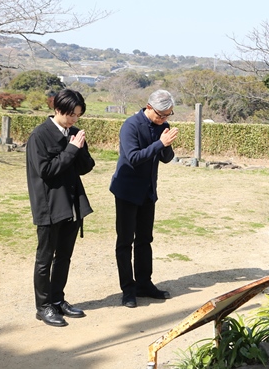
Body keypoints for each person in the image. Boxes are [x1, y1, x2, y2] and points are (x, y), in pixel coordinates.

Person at [26, 89, 95, 327]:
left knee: (64, 256)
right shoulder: (39, 136)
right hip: (49, 204)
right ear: (58, 109)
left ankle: (57, 300)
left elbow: (86, 167)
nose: (74, 119)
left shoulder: (74, 133)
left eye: (78, 115)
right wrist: (71, 150)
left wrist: (80, 147)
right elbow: (46, 172)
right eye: (71, 115)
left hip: (72, 203)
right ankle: (43, 306)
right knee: (45, 258)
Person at [109, 89, 179, 308]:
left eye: (168, 115)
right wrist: (160, 143)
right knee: (125, 241)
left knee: (145, 240)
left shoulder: (163, 126)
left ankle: (144, 283)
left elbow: (166, 158)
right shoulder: (131, 125)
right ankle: (128, 290)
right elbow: (133, 157)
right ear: (149, 107)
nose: (164, 119)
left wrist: (166, 144)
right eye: (161, 115)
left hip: (148, 191)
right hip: (127, 191)